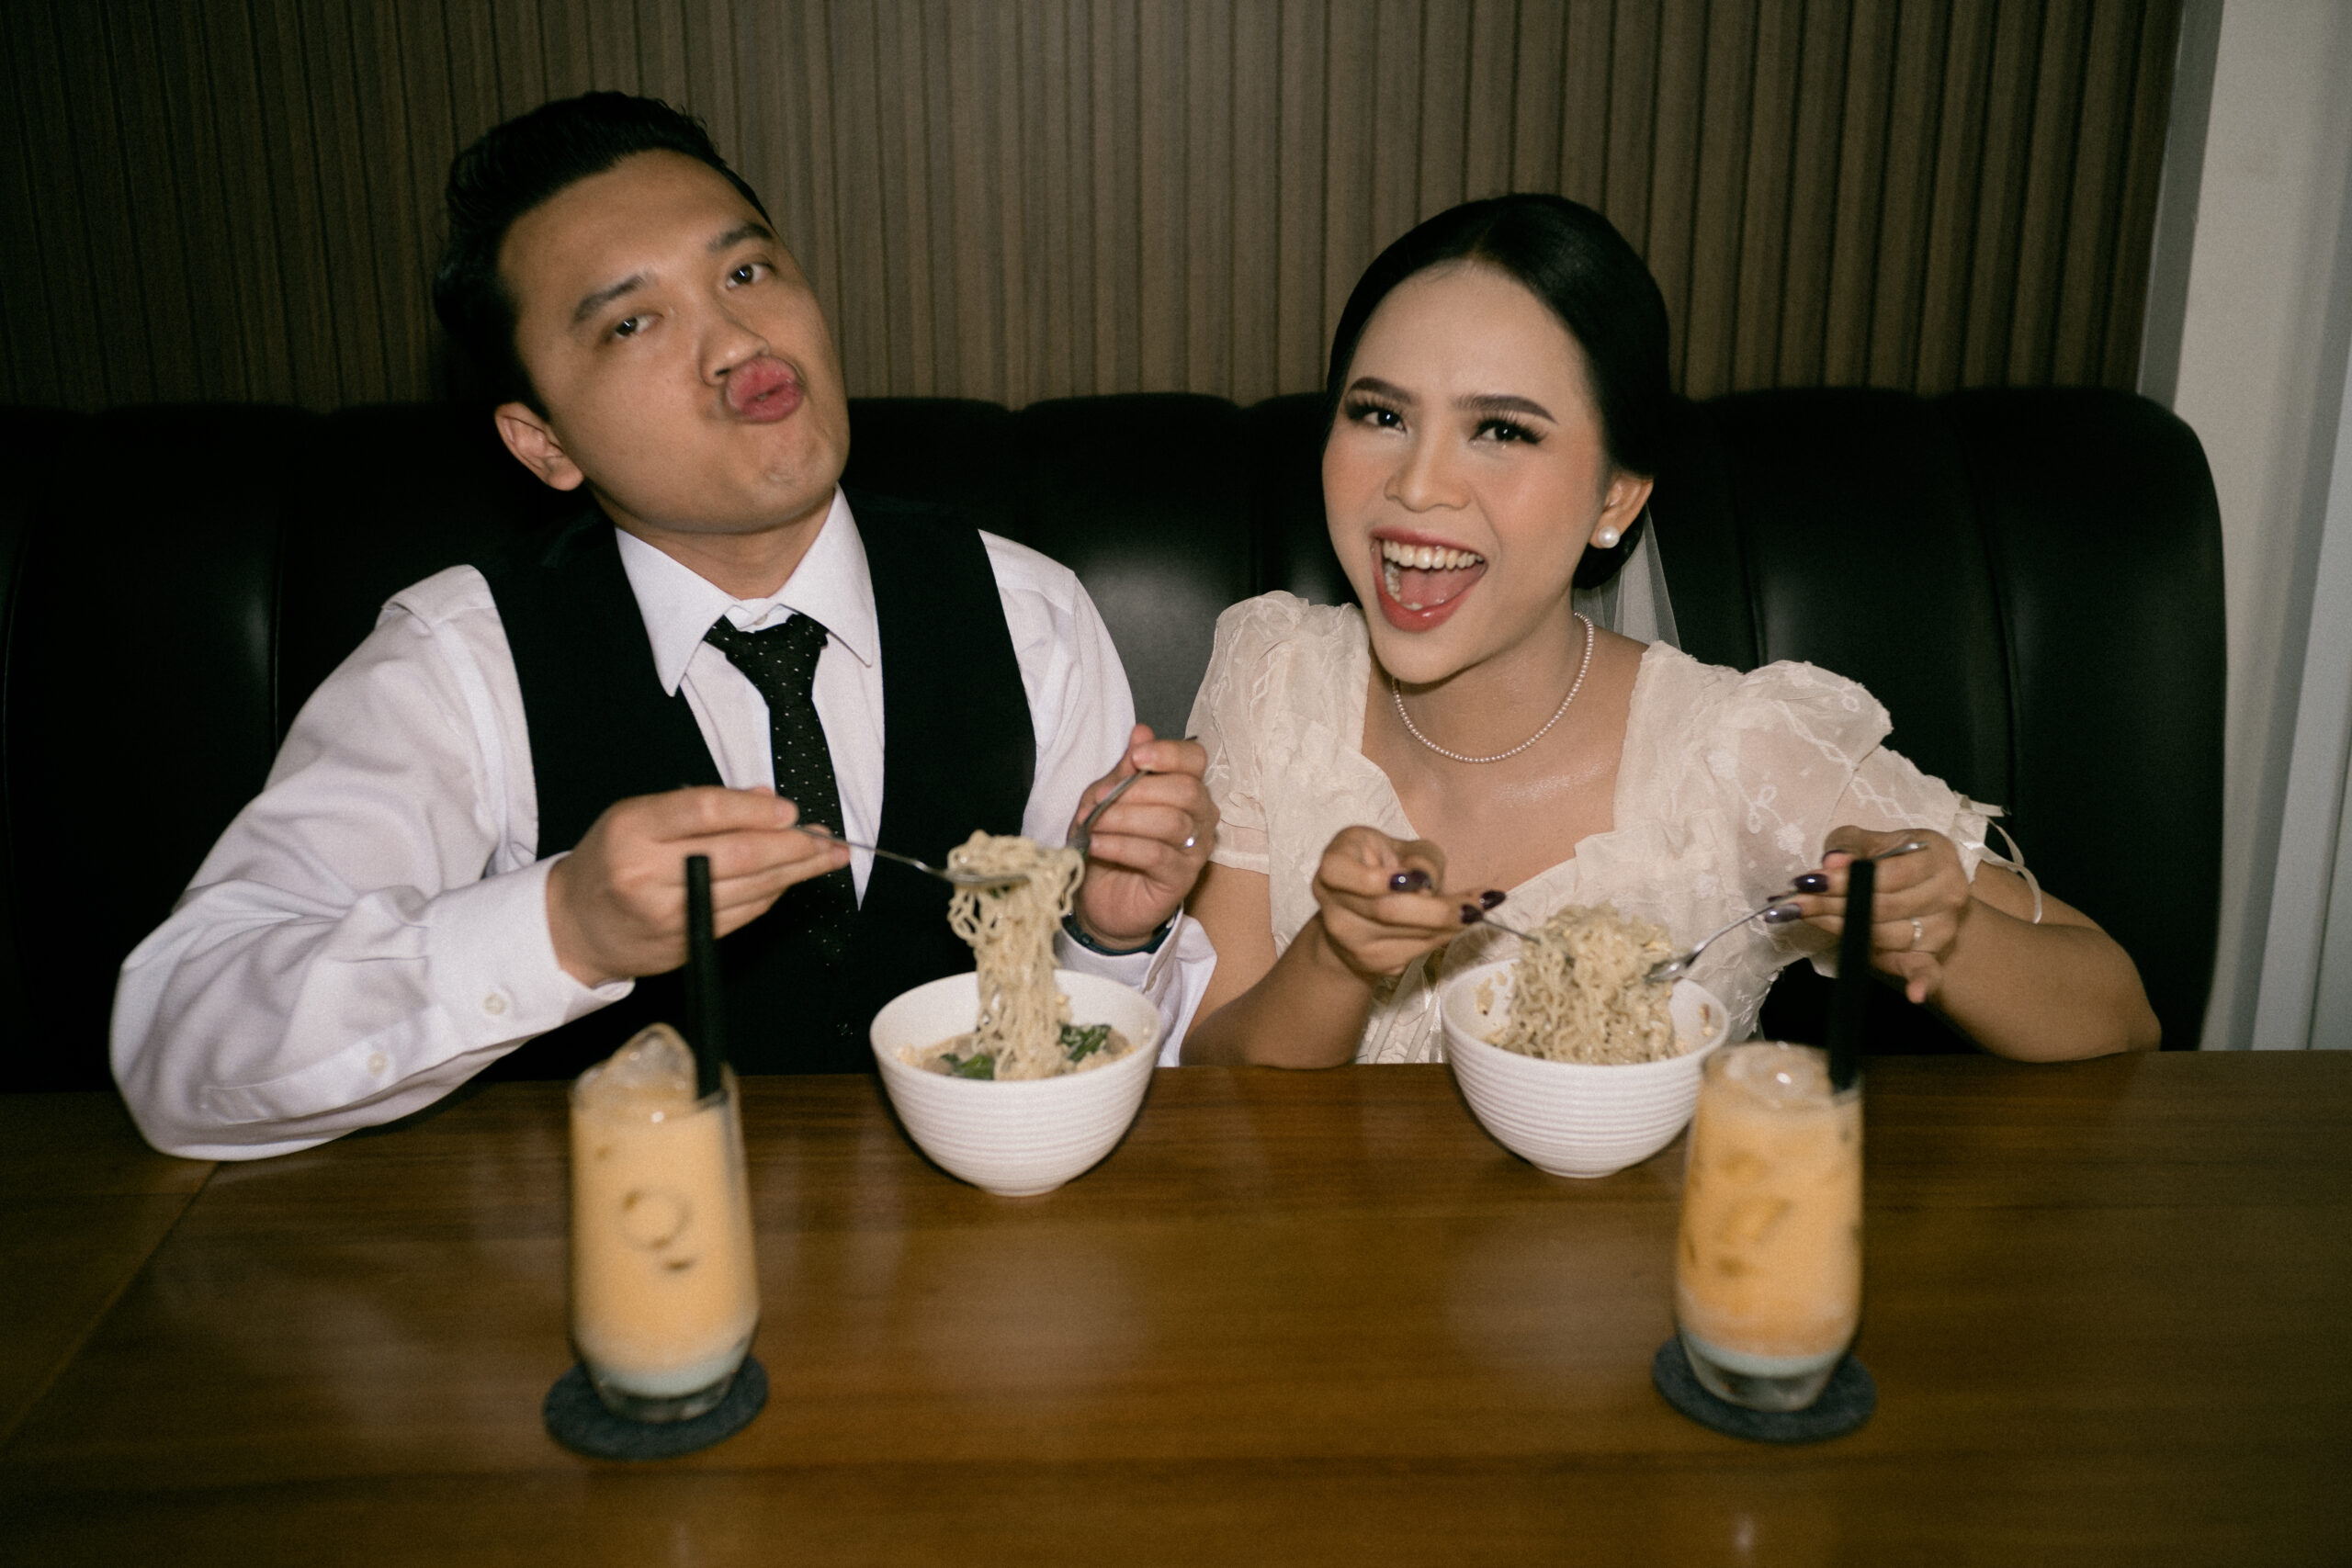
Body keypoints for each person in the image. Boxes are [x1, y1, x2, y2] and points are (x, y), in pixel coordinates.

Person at [112, 94, 1216, 1158]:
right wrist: (564, 927)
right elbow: (174, 1045)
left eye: (745, 272)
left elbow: (1125, 1065)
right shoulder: (458, 662)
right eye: (633, 321)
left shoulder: (1027, 612)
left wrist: (1107, 938)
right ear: (543, 442)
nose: (735, 340)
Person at [1178, 195, 2158, 1067]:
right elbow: (1215, 1075)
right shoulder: (1275, 676)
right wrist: (1336, 957)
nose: (1419, 484)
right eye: (1380, 414)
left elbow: (2119, 1014)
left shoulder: (1733, 756)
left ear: (1617, 496)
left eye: (1503, 429)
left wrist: (1941, 933)